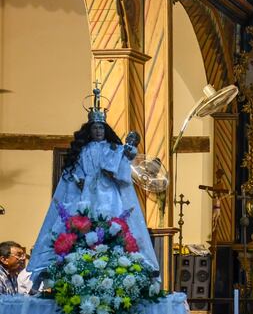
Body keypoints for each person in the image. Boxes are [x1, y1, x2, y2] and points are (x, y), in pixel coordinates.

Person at [27, 106, 159, 280]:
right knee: (81, 220)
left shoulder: (113, 147)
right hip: (87, 193)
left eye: (101, 127)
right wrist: (79, 178)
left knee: (113, 222)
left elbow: (125, 161)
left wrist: (122, 159)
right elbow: (76, 169)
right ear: (90, 131)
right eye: (95, 128)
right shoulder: (83, 150)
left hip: (109, 193)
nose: (98, 131)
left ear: (106, 130)